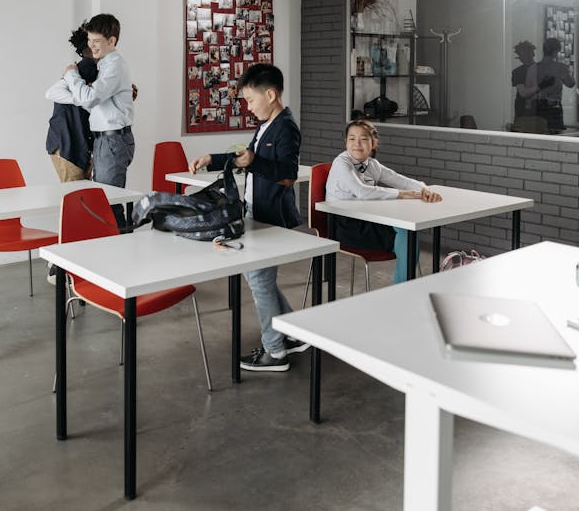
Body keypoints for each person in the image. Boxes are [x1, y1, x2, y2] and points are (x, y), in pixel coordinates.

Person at [188, 63, 306, 373]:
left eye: (251, 100)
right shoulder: (267, 123)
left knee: (260, 283)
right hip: (256, 212)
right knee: (260, 279)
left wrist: (255, 162)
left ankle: (275, 352)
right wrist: (213, 159)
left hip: (273, 218)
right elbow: (247, 158)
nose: (248, 106)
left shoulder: (286, 127)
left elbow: (287, 176)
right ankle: (292, 332)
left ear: (270, 94)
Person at [325, 119, 441, 285]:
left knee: (407, 230)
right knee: (407, 235)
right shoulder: (341, 162)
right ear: (345, 142)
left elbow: (401, 180)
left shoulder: (372, 164)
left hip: (368, 219)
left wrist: (424, 189)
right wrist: (403, 194)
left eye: (364, 139)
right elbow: (362, 191)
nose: (357, 144)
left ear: (374, 143)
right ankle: (403, 287)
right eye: (351, 138)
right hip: (345, 225)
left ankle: (403, 286)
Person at [45, 13, 134, 227]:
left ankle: (120, 253)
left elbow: (90, 99)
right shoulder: (104, 66)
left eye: (96, 41)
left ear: (111, 41)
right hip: (105, 141)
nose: (92, 46)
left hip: (111, 141)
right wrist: (81, 96)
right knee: (105, 204)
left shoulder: (109, 66)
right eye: (89, 41)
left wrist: (71, 75)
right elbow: (88, 100)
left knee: (107, 205)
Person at [45, 24, 97, 182]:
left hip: (73, 143)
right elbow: (51, 93)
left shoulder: (85, 68)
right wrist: (82, 99)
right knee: (75, 199)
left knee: (81, 198)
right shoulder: (86, 66)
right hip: (68, 144)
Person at [534, 37, 575, 133]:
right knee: (556, 136)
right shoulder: (560, 67)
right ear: (556, 51)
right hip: (553, 108)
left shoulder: (534, 67)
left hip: (537, 107)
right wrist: (568, 70)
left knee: (538, 135)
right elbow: (571, 84)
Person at [511, 39, 537, 122]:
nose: (523, 58)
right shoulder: (518, 72)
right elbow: (522, 93)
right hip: (524, 111)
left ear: (532, 54)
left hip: (540, 109)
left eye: (526, 54)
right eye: (521, 55)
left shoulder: (541, 69)